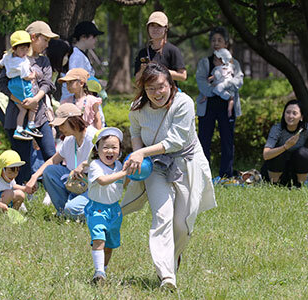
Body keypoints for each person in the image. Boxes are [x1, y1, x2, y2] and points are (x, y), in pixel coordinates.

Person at [122, 62, 216, 289]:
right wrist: (138, 154)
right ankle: (167, 276)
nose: (157, 93)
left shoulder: (183, 103)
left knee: (182, 224)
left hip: (186, 163)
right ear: (143, 89)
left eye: (161, 87)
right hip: (155, 167)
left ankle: (173, 257)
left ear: (171, 84)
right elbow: (135, 132)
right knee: (162, 217)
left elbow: (176, 141)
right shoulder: (137, 107)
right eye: (150, 89)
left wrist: (141, 152)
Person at [0, 21, 59, 184]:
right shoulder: (13, 60)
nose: (47, 44)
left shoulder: (44, 62)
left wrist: (35, 99)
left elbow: (47, 83)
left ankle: (54, 190)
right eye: (45, 40)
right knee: (22, 160)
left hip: (40, 115)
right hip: (17, 116)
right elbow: (1, 83)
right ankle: (23, 195)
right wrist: (20, 102)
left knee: (50, 153)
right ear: (33, 38)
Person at [25, 103, 97, 218]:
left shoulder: (93, 136)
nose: (60, 128)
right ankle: (63, 212)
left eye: (62, 124)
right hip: (77, 182)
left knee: (72, 208)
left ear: (73, 121)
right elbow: (53, 160)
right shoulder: (69, 140)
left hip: (94, 185)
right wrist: (34, 177)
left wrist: (83, 165)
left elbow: (104, 163)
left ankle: (83, 211)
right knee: (50, 171)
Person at [195, 26, 244, 178]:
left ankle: (226, 175)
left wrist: (223, 86)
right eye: (214, 40)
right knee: (204, 141)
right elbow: (201, 82)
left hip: (227, 107)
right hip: (208, 106)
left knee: (227, 141)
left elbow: (238, 81)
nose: (216, 43)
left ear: (226, 43)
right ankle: (204, 174)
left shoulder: (233, 63)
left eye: (220, 40)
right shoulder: (205, 62)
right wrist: (214, 91)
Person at [85, 127, 127, 283]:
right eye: (105, 147)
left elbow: (124, 183)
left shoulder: (119, 166)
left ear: (120, 150)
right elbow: (102, 181)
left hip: (114, 211)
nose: (110, 151)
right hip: (97, 209)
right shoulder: (95, 165)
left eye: (114, 147)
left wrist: (131, 174)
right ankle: (98, 272)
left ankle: (103, 270)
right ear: (97, 149)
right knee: (99, 240)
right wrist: (123, 173)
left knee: (109, 246)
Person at [263, 100, 308, 186]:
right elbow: (266, 154)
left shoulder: (306, 128)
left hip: (296, 170)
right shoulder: (277, 129)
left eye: (294, 113)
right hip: (277, 170)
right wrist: (285, 147)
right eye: (288, 112)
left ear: (301, 117)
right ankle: (275, 184)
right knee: (279, 153)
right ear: (284, 114)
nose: (290, 116)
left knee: (303, 152)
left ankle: (299, 185)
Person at [0, 30, 42, 141]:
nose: (25, 52)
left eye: (27, 48)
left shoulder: (7, 56)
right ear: (14, 48)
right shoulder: (23, 62)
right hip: (22, 84)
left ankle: (19, 129)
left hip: (12, 85)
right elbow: (26, 76)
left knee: (22, 110)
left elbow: (0, 63)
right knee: (33, 106)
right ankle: (31, 125)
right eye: (22, 49)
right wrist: (33, 76)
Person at [134, 11, 187, 85]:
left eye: (159, 26)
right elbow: (137, 80)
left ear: (165, 29)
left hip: (169, 94)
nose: (155, 29)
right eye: (152, 25)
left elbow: (183, 76)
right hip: (149, 93)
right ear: (148, 28)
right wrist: (142, 70)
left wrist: (160, 72)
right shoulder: (143, 52)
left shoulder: (172, 50)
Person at [61, 21, 104, 101]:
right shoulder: (76, 56)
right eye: (94, 37)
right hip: (76, 101)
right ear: (83, 37)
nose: (96, 40)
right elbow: (74, 81)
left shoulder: (80, 54)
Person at [200, 48, 235, 118]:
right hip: (228, 87)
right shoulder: (229, 68)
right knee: (231, 99)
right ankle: (229, 109)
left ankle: (204, 97)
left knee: (208, 89)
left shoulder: (217, 69)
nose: (213, 62)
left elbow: (216, 77)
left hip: (219, 88)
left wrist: (209, 79)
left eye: (215, 60)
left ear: (222, 61)